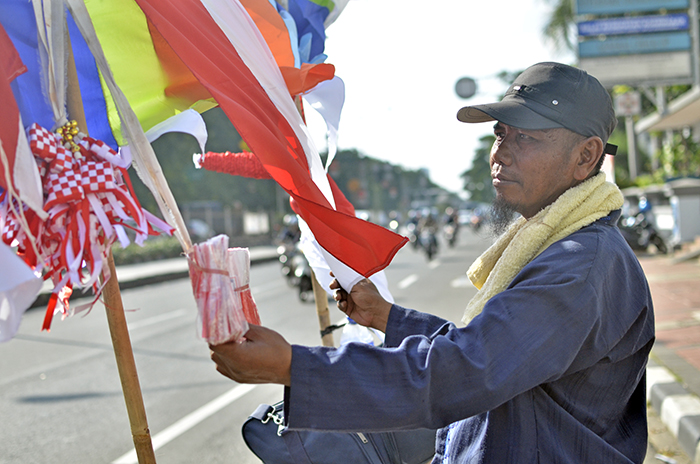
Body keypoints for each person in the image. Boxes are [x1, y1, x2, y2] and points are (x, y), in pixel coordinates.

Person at [209, 62, 655, 463]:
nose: (500, 153)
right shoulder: (559, 244)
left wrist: (292, 367)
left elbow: (466, 370)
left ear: (586, 156)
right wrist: (390, 318)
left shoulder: (579, 266)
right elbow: (494, 350)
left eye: (527, 138)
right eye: (501, 134)